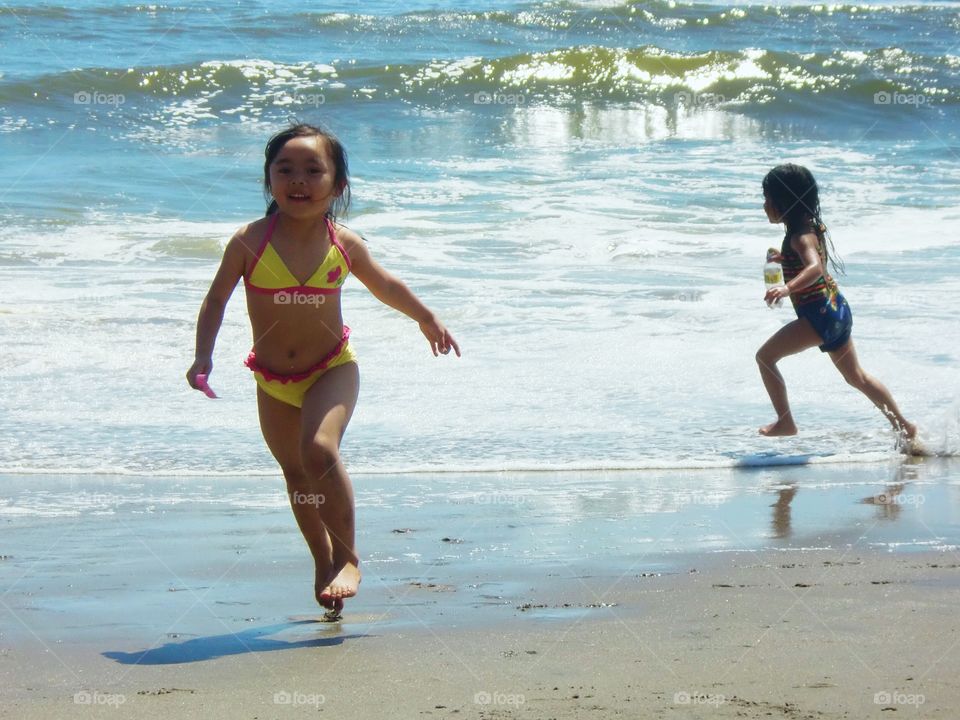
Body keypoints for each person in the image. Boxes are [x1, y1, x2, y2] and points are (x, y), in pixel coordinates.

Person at [186, 123, 460, 614]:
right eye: (284, 169)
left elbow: (386, 285)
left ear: (337, 185)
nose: (298, 180)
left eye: (314, 170)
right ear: (268, 180)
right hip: (272, 381)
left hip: (332, 369)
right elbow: (215, 300)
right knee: (295, 474)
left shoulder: (343, 243)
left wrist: (426, 317)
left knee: (319, 450)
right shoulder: (249, 241)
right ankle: (323, 559)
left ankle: (349, 558)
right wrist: (203, 354)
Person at [756, 163, 916, 446]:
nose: (765, 205)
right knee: (857, 377)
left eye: (768, 198)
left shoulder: (799, 236)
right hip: (836, 311)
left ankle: (785, 421)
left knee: (765, 358)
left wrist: (786, 288)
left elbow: (815, 267)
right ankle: (904, 426)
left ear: (784, 201)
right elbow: (809, 262)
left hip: (817, 316)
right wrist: (785, 263)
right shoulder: (808, 227)